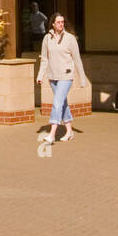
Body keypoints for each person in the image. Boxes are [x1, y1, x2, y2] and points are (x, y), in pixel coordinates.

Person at [36, 13, 88, 144]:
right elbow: (44, 59)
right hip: (53, 76)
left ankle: (52, 134)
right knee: (63, 104)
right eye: (58, 22)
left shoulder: (70, 39)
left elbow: (77, 59)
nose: (61, 24)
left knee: (57, 103)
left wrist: (82, 79)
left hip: (66, 75)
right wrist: (40, 75)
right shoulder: (47, 38)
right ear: (53, 24)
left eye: (62, 22)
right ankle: (69, 131)